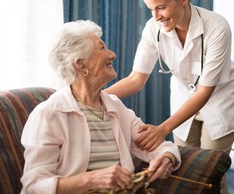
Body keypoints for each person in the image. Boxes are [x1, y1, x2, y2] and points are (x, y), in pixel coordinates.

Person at [20, 20, 181, 194]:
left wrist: (167, 157)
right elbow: (34, 187)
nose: (112, 54)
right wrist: (91, 179)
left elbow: (160, 146)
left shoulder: (115, 106)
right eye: (102, 48)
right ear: (80, 63)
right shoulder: (49, 114)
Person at [106, 0, 234, 156]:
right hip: (183, 97)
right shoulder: (153, 28)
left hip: (218, 99)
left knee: (210, 170)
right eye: (151, 9)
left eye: (161, 7)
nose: (156, 16)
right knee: (185, 164)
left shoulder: (217, 27)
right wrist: (94, 96)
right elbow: (136, 79)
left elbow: (204, 91)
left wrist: (163, 129)